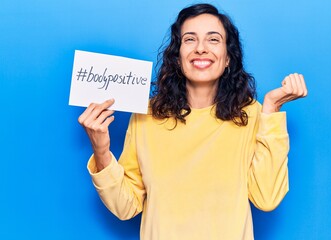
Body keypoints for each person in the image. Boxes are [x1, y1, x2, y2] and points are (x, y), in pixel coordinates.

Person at [78, 3, 307, 240]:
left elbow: (267, 198)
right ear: (177, 57)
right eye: (189, 39)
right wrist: (101, 150)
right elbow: (126, 207)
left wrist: (272, 109)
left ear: (228, 58)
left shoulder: (249, 114)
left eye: (213, 40)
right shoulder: (147, 114)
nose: (200, 48)